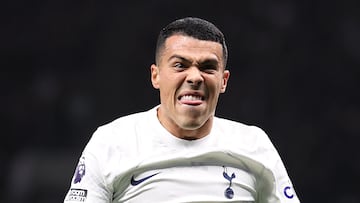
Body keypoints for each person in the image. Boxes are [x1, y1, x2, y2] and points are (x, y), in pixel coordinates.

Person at [64, 17, 300, 202]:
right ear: (156, 76)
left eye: (208, 67)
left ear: (223, 80)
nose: (195, 77)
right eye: (180, 65)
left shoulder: (254, 144)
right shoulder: (112, 141)